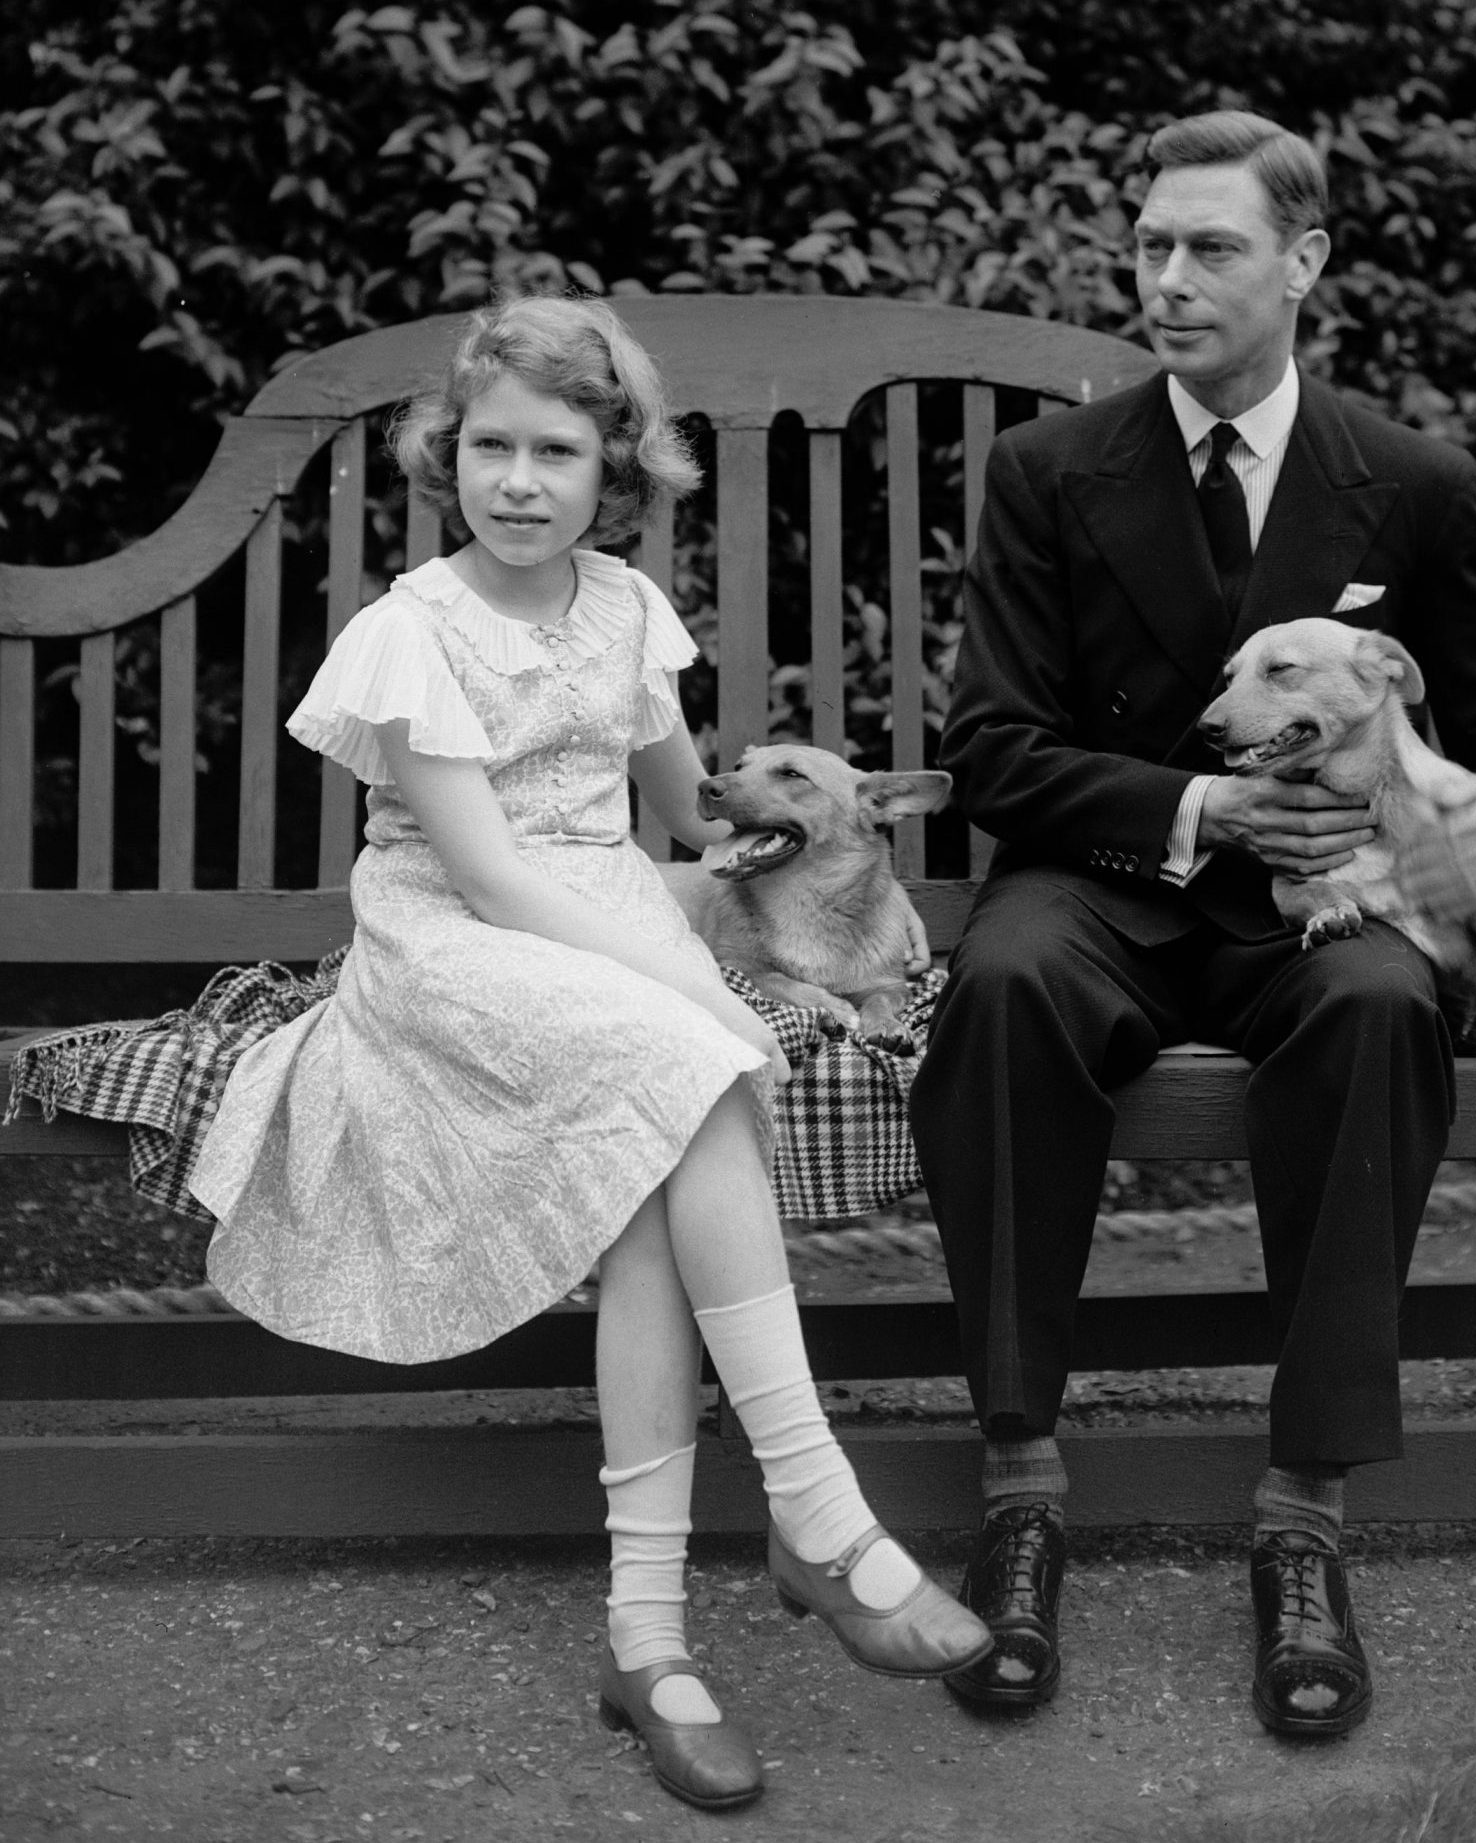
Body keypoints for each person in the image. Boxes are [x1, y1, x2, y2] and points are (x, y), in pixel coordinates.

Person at [190, 293, 989, 1813]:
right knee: (692, 1068)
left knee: (654, 1206)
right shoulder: (412, 632)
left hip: (613, 922)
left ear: (613, 469)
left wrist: (824, 845)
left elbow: (689, 817)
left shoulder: (623, 608)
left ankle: (649, 1642)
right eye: (489, 444)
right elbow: (492, 879)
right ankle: (822, 1521)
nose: (517, 480)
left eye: (556, 450)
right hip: (459, 944)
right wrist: (699, 995)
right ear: (449, 455)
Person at [908, 109, 1476, 1736]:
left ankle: (1303, 1520)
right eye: (1150, 246)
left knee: (1376, 1008)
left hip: (1335, 900)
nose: (1169, 277)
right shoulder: (1048, 473)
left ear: (1305, 264)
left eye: (1211, 247)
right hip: (1109, 885)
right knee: (998, 986)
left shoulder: (1407, 484)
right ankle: (1020, 1492)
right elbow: (992, 749)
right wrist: (1198, 808)